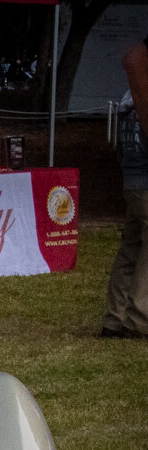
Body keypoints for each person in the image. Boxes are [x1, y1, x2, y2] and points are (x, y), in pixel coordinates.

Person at [101, 38, 148, 339]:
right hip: (146, 183)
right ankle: (139, 318)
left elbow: (120, 150)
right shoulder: (145, 107)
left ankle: (113, 318)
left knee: (129, 250)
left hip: (132, 184)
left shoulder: (126, 106)